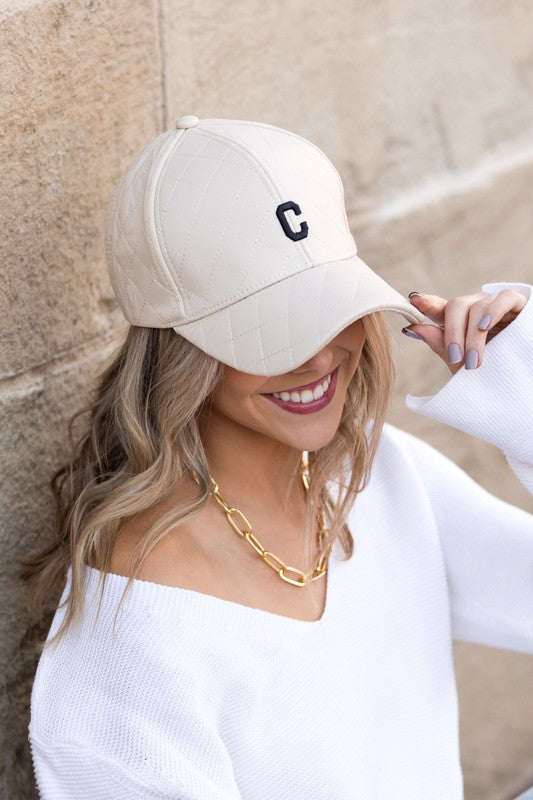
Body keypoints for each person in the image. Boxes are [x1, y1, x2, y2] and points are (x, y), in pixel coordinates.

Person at [22, 115, 532, 800]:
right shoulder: (136, 631)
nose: (319, 357)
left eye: (332, 307)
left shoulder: (375, 477)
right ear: (177, 353)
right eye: (272, 330)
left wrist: (523, 382)